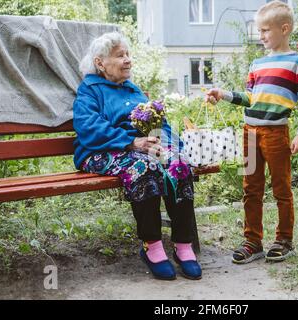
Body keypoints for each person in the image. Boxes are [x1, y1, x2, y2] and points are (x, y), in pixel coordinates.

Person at [73, 32, 202, 280]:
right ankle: (152, 246)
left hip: (140, 149)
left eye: (128, 54)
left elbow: (159, 123)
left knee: (179, 164)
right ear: (100, 62)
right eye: (120, 56)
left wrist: (167, 145)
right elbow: (88, 126)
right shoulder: (89, 90)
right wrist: (132, 142)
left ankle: (183, 245)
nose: (128, 60)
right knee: (143, 167)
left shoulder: (133, 90)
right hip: (101, 151)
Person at [205, 1, 298, 264]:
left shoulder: (297, 61)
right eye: (259, 31)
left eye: (265, 30)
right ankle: (252, 241)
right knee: (250, 188)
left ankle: (284, 239)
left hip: (276, 135)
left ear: (284, 29)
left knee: (281, 189)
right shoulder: (257, 63)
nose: (261, 36)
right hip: (250, 135)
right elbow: (250, 98)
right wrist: (223, 94)